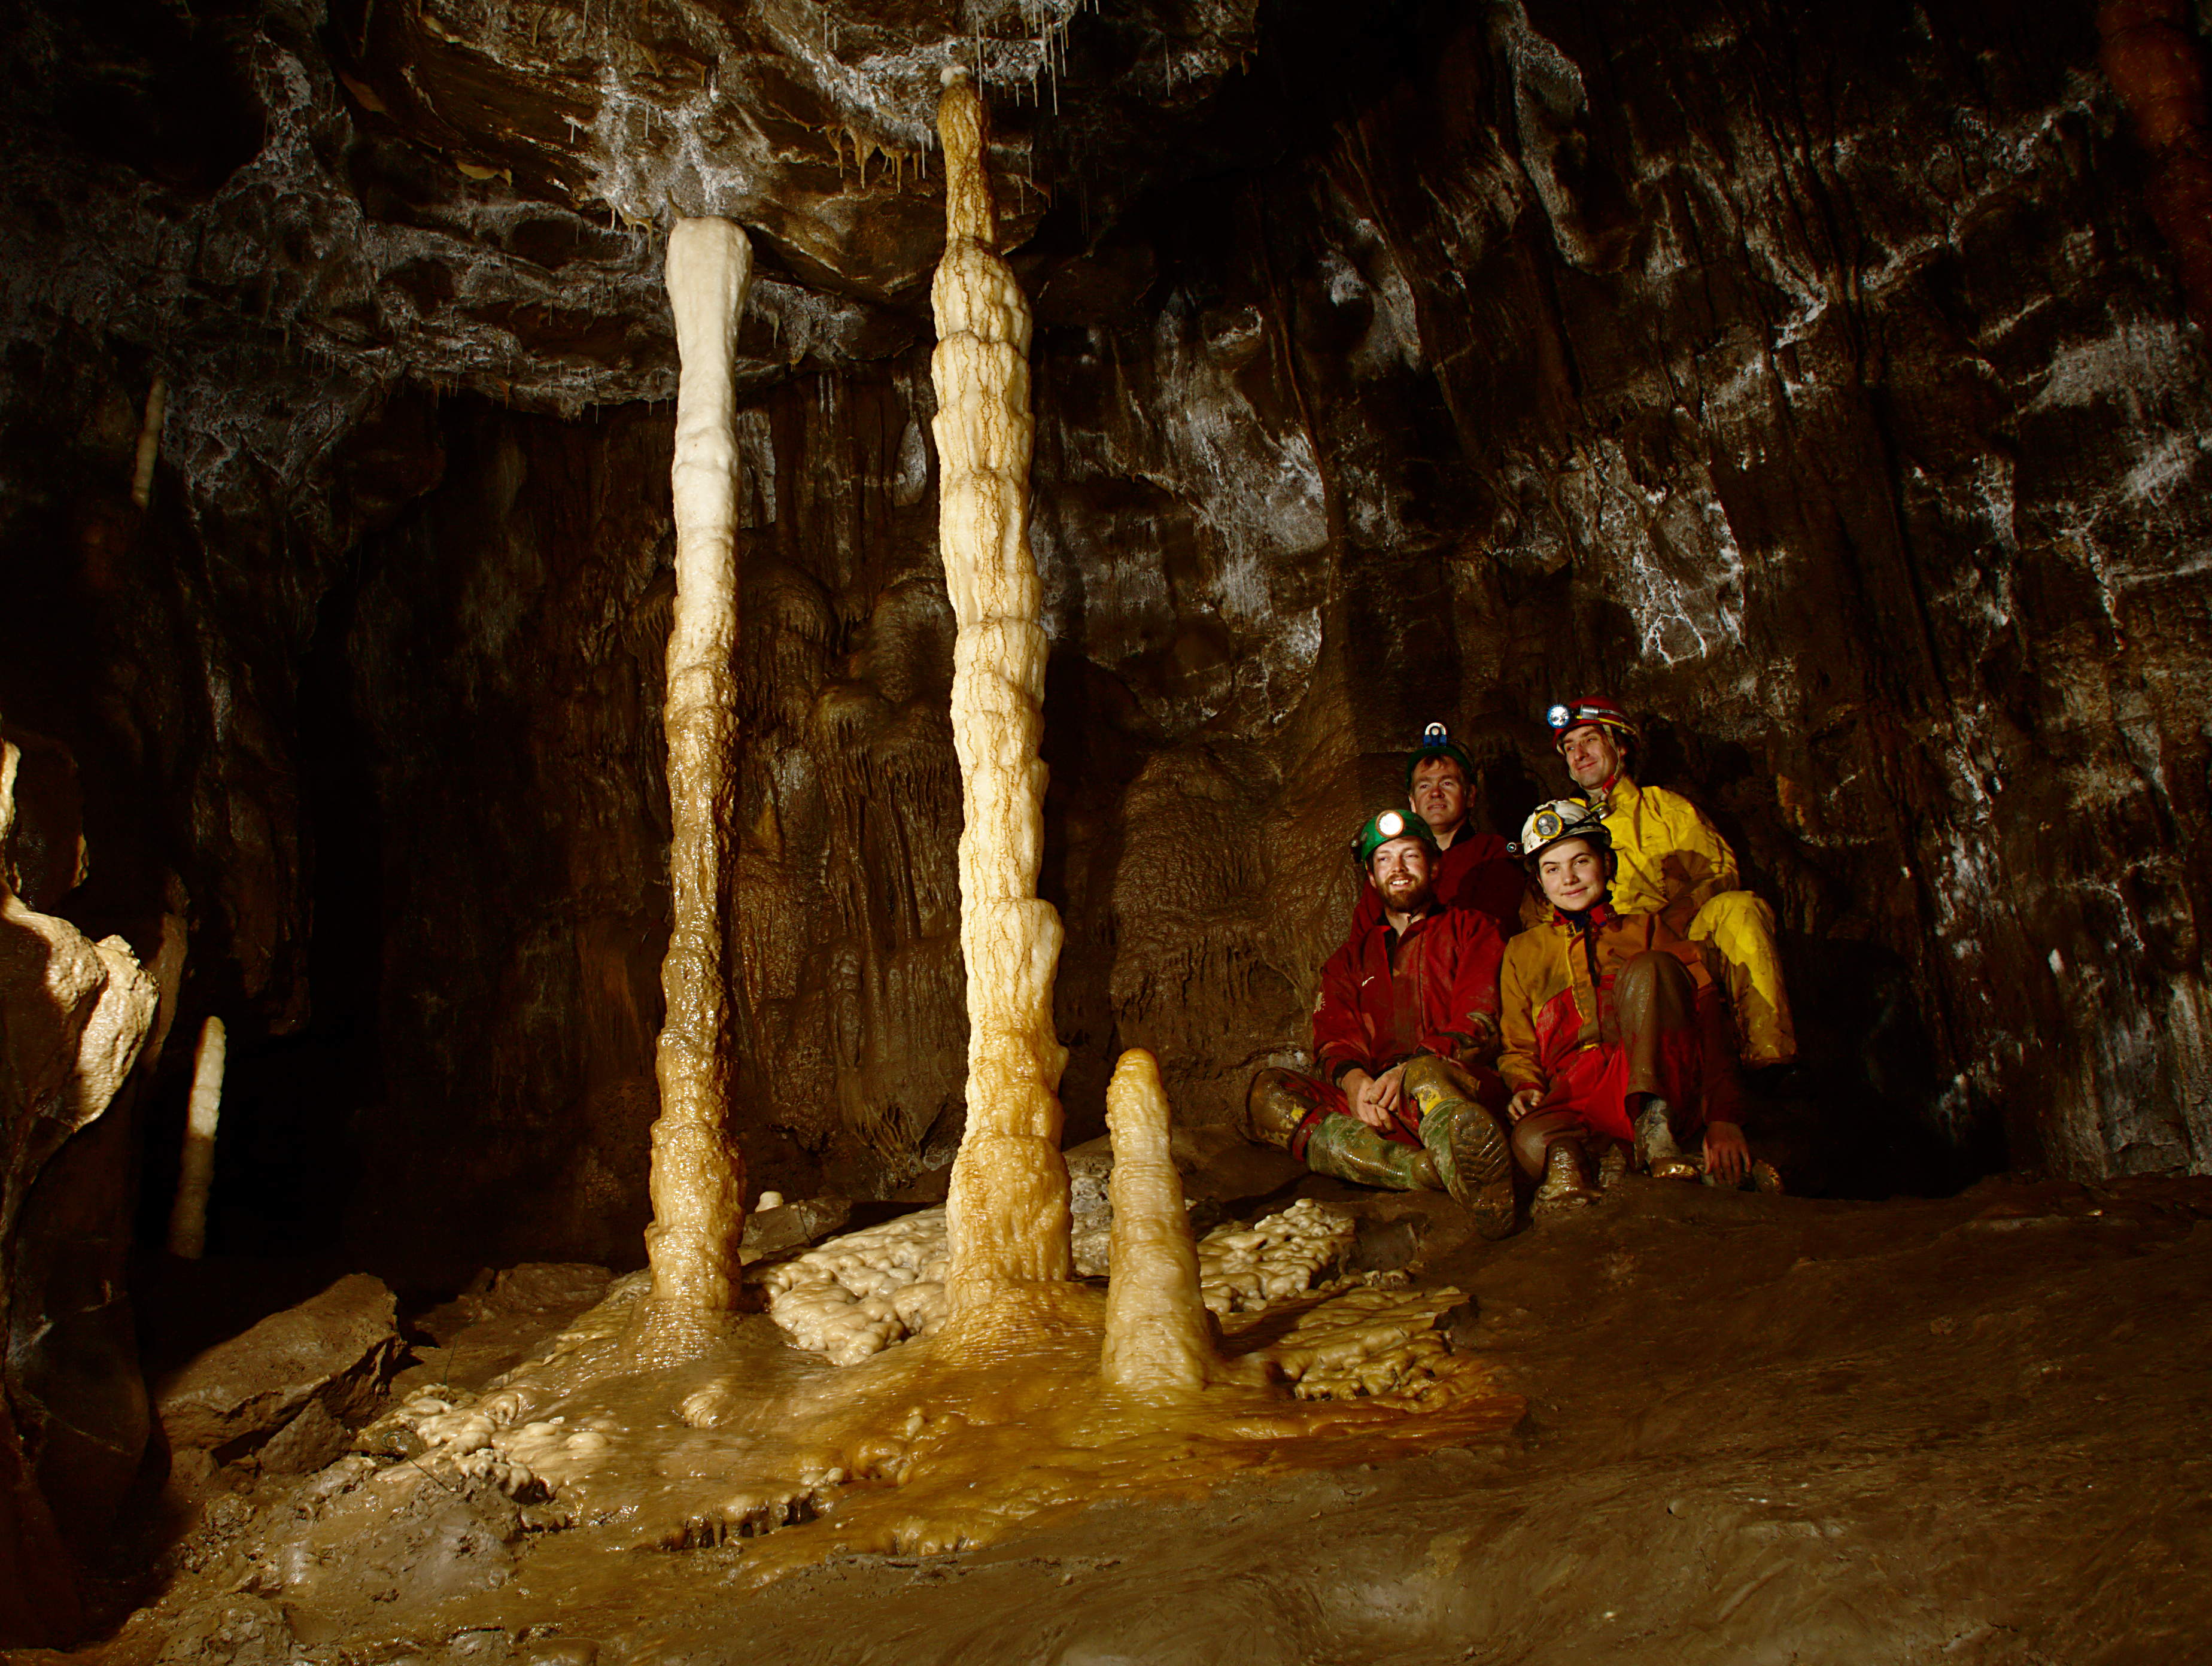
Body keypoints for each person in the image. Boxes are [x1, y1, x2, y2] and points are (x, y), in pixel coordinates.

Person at [1242, 808, 1520, 1239]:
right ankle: (1421, 1170)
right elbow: (1335, 1036)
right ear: (1372, 878)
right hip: (1380, 1106)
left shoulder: (1474, 930)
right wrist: (1356, 1084)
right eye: (1385, 859)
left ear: (1434, 867)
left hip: (1452, 1087)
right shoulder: (1349, 960)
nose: (1399, 868)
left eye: (1411, 856)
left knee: (1427, 1075)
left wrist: (1411, 1069)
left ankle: (1481, 1190)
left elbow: (1477, 1020)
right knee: (1270, 1094)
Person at [1498, 798, 1772, 1207]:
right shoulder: (1523, 951)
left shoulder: (1647, 928)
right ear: (1538, 882)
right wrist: (1526, 1086)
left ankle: (1653, 1125)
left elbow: (1708, 1020)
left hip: (1656, 1080)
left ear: (1606, 864)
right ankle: (1626, 1163)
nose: (1568, 879)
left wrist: (1723, 1117)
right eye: (1551, 869)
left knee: (1651, 966)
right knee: (1531, 1142)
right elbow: (1518, 1045)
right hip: (1576, 1095)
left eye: (1581, 862)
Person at [1546, 697, 1796, 1069]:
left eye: (1590, 740)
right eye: (1569, 747)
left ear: (1620, 746)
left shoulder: (1667, 809)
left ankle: (1770, 1058)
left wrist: (1675, 916)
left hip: (1673, 936)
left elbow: (1719, 871)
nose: (1579, 754)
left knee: (1740, 907)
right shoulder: (1559, 823)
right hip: (1601, 945)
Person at [1345, 723, 1527, 939]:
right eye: (1424, 786)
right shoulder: (1390, 866)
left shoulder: (1493, 854)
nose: (1435, 793)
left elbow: (1495, 932)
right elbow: (1363, 942)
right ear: (1412, 801)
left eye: (1447, 783)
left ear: (1470, 796)